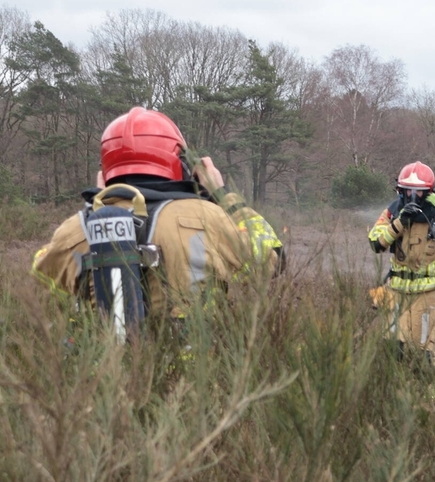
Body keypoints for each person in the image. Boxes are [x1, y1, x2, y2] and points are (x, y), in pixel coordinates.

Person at [32, 106, 280, 336]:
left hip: (104, 376)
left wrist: (96, 206)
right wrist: (223, 195)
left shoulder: (75, 229)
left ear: (106, 168)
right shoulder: (208, 218)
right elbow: (272, 258)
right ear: (179, 162)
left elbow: (41, 270)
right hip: (192, 373)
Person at [367, 161, 435, 362]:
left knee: (424, 353)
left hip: (428, 293)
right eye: (408, 191)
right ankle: (393, 389)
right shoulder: (392, 213)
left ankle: (425, 390)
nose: (413, 196)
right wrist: (399, 223)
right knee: (393, 349)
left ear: (430, 192)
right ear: (401, 190)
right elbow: (376, 243)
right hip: (397, 292)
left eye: (420, 191)